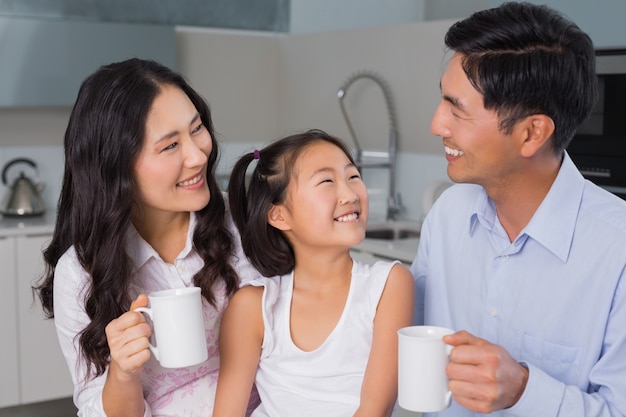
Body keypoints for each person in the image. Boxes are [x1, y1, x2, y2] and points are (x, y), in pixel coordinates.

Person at [412, 2, 626, 417]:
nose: (437, 124)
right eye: (443, 99)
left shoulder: (618, 251)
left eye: (458, 108)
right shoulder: (448, 214)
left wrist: (525, 389)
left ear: (532, 133)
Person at [35, 58, 259, 417]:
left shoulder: (242, 224)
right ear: (117, 166)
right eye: (170, 146)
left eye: (197, 128)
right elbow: (95, 405)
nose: (198, 154)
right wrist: (122, 375)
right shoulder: (81, 272)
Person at [212, 129, 415, 417]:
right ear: (279, 216)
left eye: (353, 176)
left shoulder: (388, 285)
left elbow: (375, 408)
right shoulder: (254, 306)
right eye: (327, 181)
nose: (349, 193)